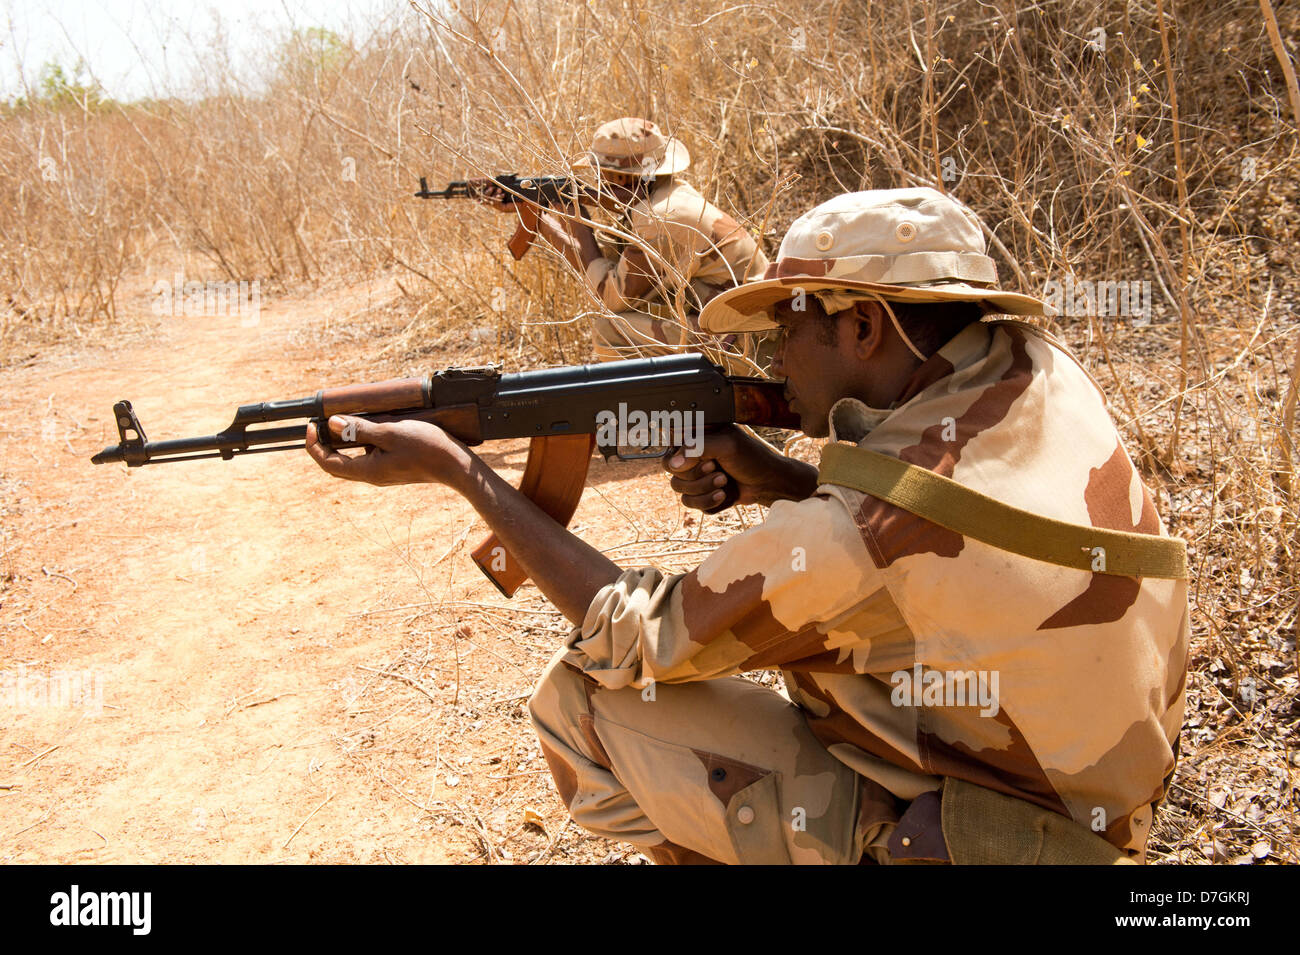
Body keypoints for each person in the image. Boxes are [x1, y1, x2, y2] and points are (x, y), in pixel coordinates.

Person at [304, 188, 1189, 865]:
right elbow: (940, 541)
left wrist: (463, 472)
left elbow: (634, 637)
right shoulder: (1033, 367)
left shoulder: (857, 536)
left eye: (784, 324)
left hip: (1000, 835)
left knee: (581, 701)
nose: (770, 357)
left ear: (864, 325)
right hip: (1099, 788)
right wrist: (786, 478)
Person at [475, 117, 770, 369]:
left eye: (605, 176)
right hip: (749, 327)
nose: (598, 181)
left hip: (749, 345)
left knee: (611, 329)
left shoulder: (661, 217)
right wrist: (555, 206)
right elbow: (628, 251)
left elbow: (612, 296)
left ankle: (655, 424)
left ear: (621, 177)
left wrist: (560, 222)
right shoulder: (670, 192)